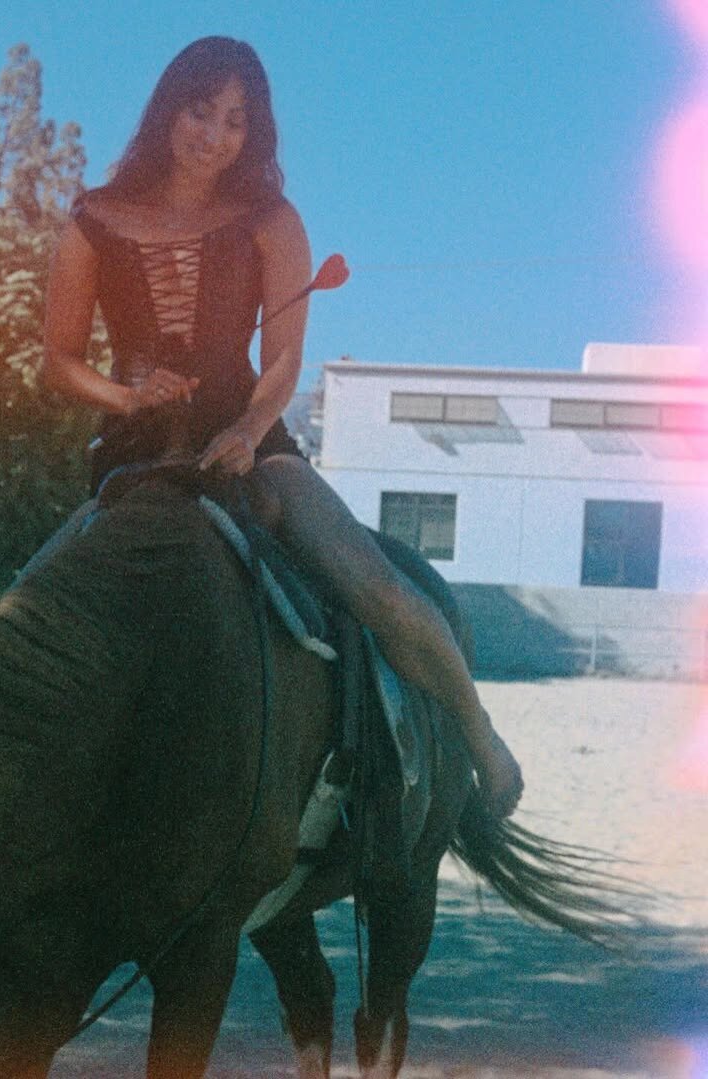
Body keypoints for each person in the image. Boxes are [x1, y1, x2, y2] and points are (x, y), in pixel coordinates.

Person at [41, 35, 523, 817]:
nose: (214, 135)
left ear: (253, 134)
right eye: (201, 111)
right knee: (26, 607)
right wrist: (125, 398)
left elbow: (284, 360)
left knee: (378, 585)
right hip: (133, 459)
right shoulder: (93, 221)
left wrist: (248, 428)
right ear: (169, 109)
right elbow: (58, 361)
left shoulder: (271, 220)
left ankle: (481, 736)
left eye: (236, 121)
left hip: (254, 448)